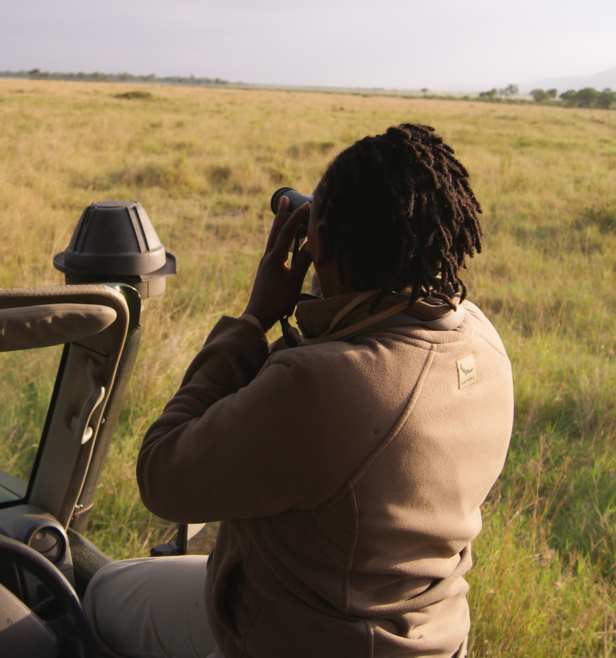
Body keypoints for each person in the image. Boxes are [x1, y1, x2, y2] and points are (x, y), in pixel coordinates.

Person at [82, 124, 515, 658]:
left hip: (301, 641)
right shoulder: (481, 340)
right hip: (432, 638)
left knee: (104, 592)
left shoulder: (324, 386)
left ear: (322, 243)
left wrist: (255, 317)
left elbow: (162, 474)